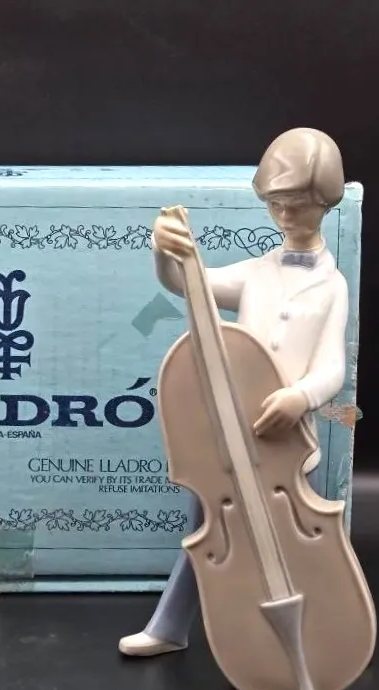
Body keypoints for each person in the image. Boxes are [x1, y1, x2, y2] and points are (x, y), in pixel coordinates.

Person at [119, 127, 349, 657]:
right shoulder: (255, 273)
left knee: (293, 548)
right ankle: (171, 628)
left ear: (324, 203)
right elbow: (188, 282)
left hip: (287, 443)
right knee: (206, 536)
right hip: (229, 433)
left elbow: (332, 366)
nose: (286, 216)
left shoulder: (332, 286)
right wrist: (166, 251)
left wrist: (301, 396)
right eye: (276, 204)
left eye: (298, 205)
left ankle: (314, 636)